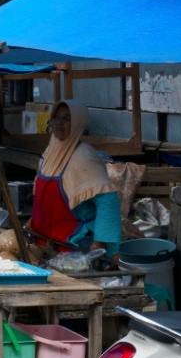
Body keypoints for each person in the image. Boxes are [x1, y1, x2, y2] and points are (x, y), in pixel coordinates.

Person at [27, 101, 121, 258]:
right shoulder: (49, 152)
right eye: (56, 118)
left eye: (66, 119)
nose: (59, 123)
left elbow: (108, 200)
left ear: (78, 123)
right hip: (43, 242)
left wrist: (99, 243)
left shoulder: (84, 156)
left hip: (73, 247)